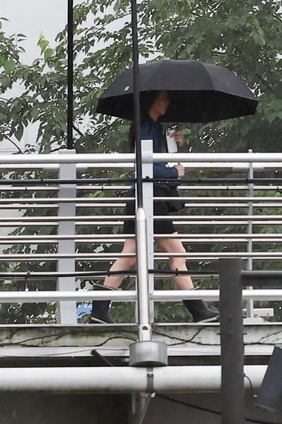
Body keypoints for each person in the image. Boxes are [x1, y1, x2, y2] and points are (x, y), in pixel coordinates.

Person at [87, 89, 217, 323]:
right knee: (175, 252)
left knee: (131, 255)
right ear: (152, 101)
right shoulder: (146, 128)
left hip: (144, 196)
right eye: (164, 97)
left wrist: (173, 146)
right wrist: (174, 172)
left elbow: (156, 161)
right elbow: (148, 166)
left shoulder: (152, 128)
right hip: (150, 197)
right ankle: (198, 310)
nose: (168, 102)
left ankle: (98, 310)